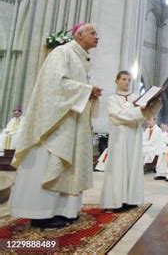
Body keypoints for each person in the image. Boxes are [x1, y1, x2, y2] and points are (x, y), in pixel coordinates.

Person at [9, 22, 102, 228]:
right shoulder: (62, 52)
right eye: (93, 33)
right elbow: (55, 84)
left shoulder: (82, 58)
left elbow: (74, 87)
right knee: (51, 162)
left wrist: (89, 92)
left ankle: (64, 210)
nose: (97, 37)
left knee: (68, 168)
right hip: (56, 124)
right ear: (79, 35)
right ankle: (41, 213)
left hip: (72, 121)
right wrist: (87, 90)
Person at [100, 71, 160, 210]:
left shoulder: (136, 98)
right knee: (118, 167)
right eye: (123, 79)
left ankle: (131, 199)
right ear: (117, 81)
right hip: (119, 137)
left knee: (132, 167)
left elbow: (147, 115)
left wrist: (155, 103)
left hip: (134, 136)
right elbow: (119, 115)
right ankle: (115, 201)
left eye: (129, 79)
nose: (126, 82)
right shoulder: (113, 99)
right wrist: (139, 110)